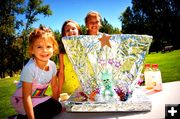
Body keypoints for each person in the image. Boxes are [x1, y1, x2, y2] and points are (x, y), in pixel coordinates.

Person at [11, 26, 62, 119]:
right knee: (37, 113)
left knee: (58, 107)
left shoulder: (52, 65)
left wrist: (54, 105)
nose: (45, 50)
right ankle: (18, 117)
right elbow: (26, 97)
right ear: (32, 49)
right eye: (39, 47)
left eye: (48, 46)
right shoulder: (30, 68)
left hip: (38, 97)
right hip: (23, 99)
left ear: (53, 48)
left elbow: (54, 87)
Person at [58, 19, 81, 96]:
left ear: (79, 31)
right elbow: (61, 73)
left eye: (73, 29)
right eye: (67, 30)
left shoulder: (84, 48)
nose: (71, 31)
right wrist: (58, 92)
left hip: (83, 90)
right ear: (64, 35)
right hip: (67, 91)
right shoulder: (62, 53)